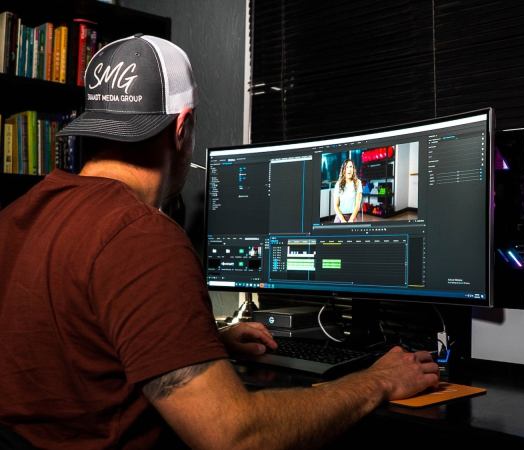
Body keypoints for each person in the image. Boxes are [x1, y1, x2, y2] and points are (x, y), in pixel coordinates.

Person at [0, 35, 439, 449]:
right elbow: (234, 436)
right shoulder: (141, 235)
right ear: (182, 128)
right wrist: (376, 382)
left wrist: (196, 341)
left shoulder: (17, 216)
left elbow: (66, 342)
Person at [333, 158, 363, 223]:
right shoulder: (338, 184)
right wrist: (342, 219)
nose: (349, 169)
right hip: (340, 216)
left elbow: (357, 204)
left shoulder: (358, 182)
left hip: (353, 216)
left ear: (353, 169)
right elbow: (336, 205)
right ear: (343, 170)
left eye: (351, 167)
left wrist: (351, 219)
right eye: (347, 167)